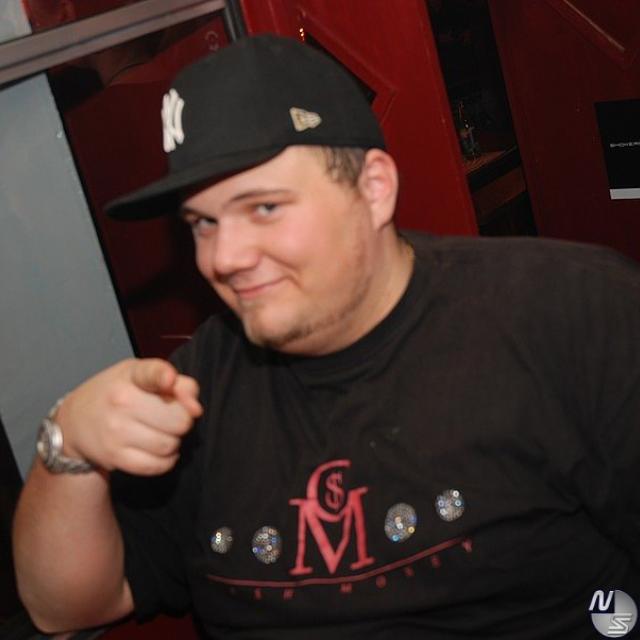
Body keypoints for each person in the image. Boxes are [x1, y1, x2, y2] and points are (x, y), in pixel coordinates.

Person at [12, 34, 640, 639]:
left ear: (374, 189)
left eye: (264, 208)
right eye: (202, 223)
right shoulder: (199, 387)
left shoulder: (571, 313)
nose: (223, 258)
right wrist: (68, 445)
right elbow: (61, 607)